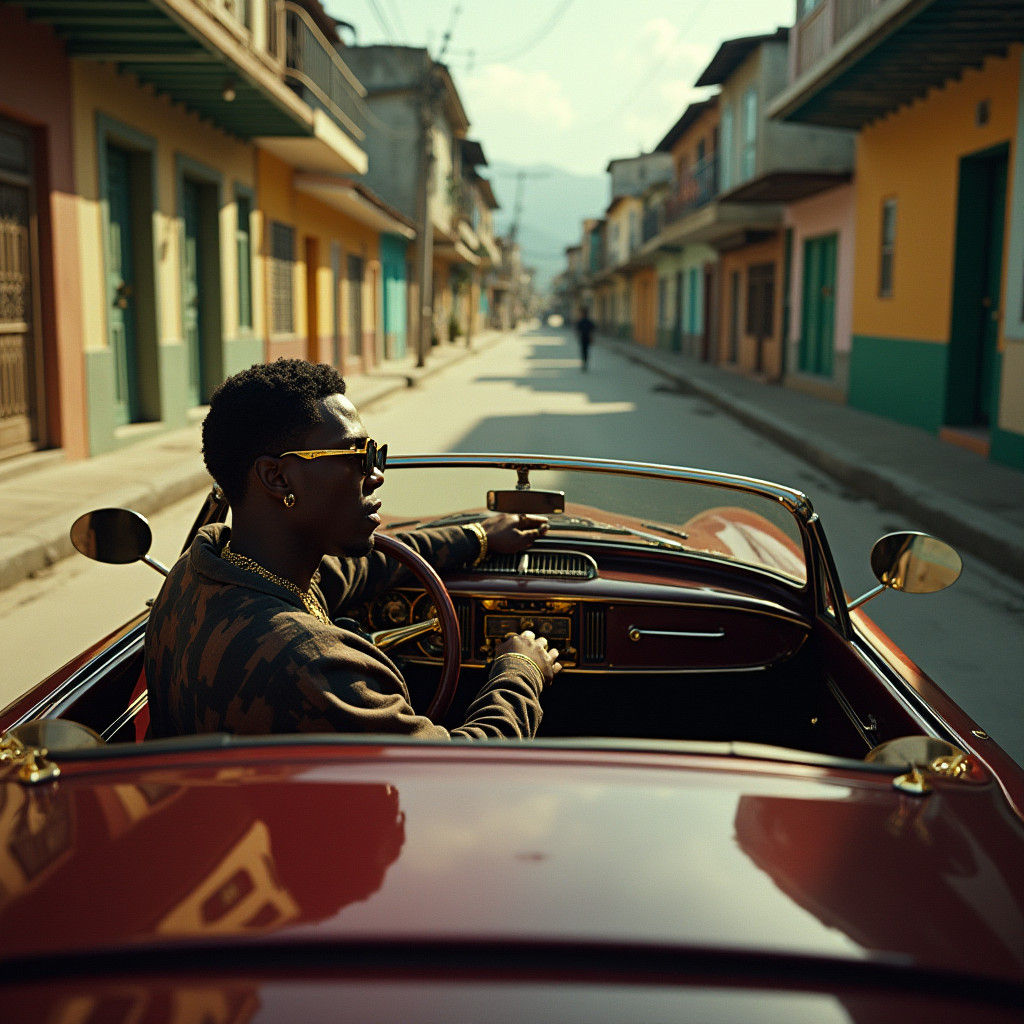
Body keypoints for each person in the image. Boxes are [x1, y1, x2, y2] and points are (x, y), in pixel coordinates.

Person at [145, 359, 561, 741]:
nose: (376, 474)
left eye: (375, 454)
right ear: (277, 477)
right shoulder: (312, 667)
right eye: (356, 455)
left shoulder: (203, 569)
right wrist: (520, 671)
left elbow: (364, 568)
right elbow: (454, 772)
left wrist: (478, 536)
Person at [576, 306, 596, 371]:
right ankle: (584, 363)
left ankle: (585, 363)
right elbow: (577, 330)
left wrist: (592, 337)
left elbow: (592, 330)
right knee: (584, 351)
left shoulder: (587, 321)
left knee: (585, 351)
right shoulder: (582, 321)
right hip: (583, 338)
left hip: (586, 338)